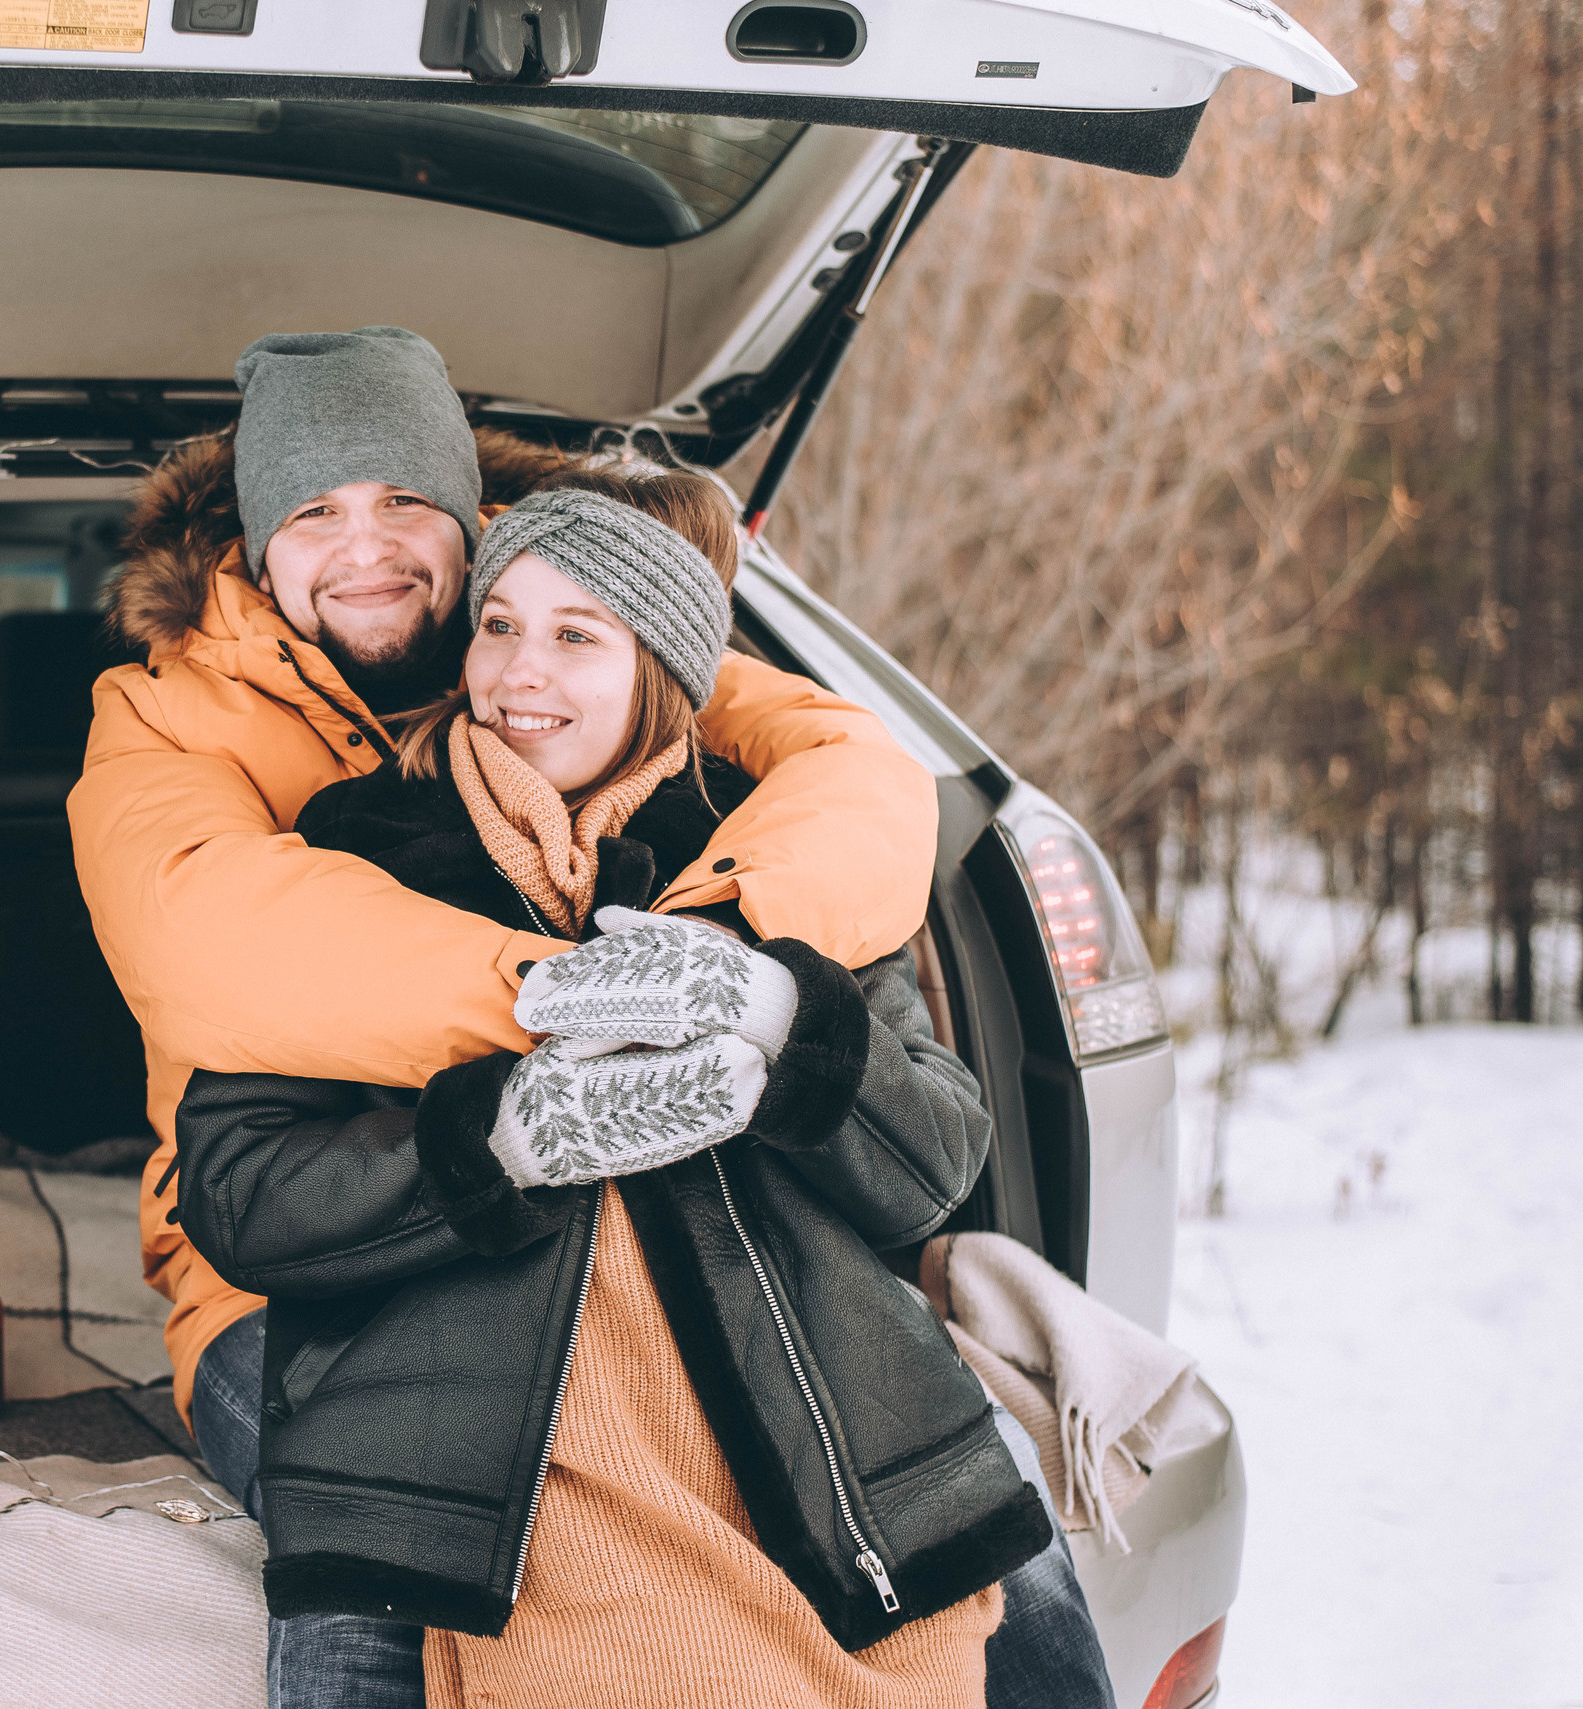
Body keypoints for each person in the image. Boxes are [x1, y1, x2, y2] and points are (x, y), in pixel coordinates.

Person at [72, 327, 1111, 1707]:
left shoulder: (560, 600)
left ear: (470, 521)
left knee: (985, 1543)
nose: (366, 546)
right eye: (314, 510)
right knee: (373, 1563)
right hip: (300, 1270)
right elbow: (217, 944)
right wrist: (556, 1016)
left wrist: (746, 973)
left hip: (676, 1212)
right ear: (259, 546)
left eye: (403, 503)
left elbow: (851, 769)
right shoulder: (174, 724)